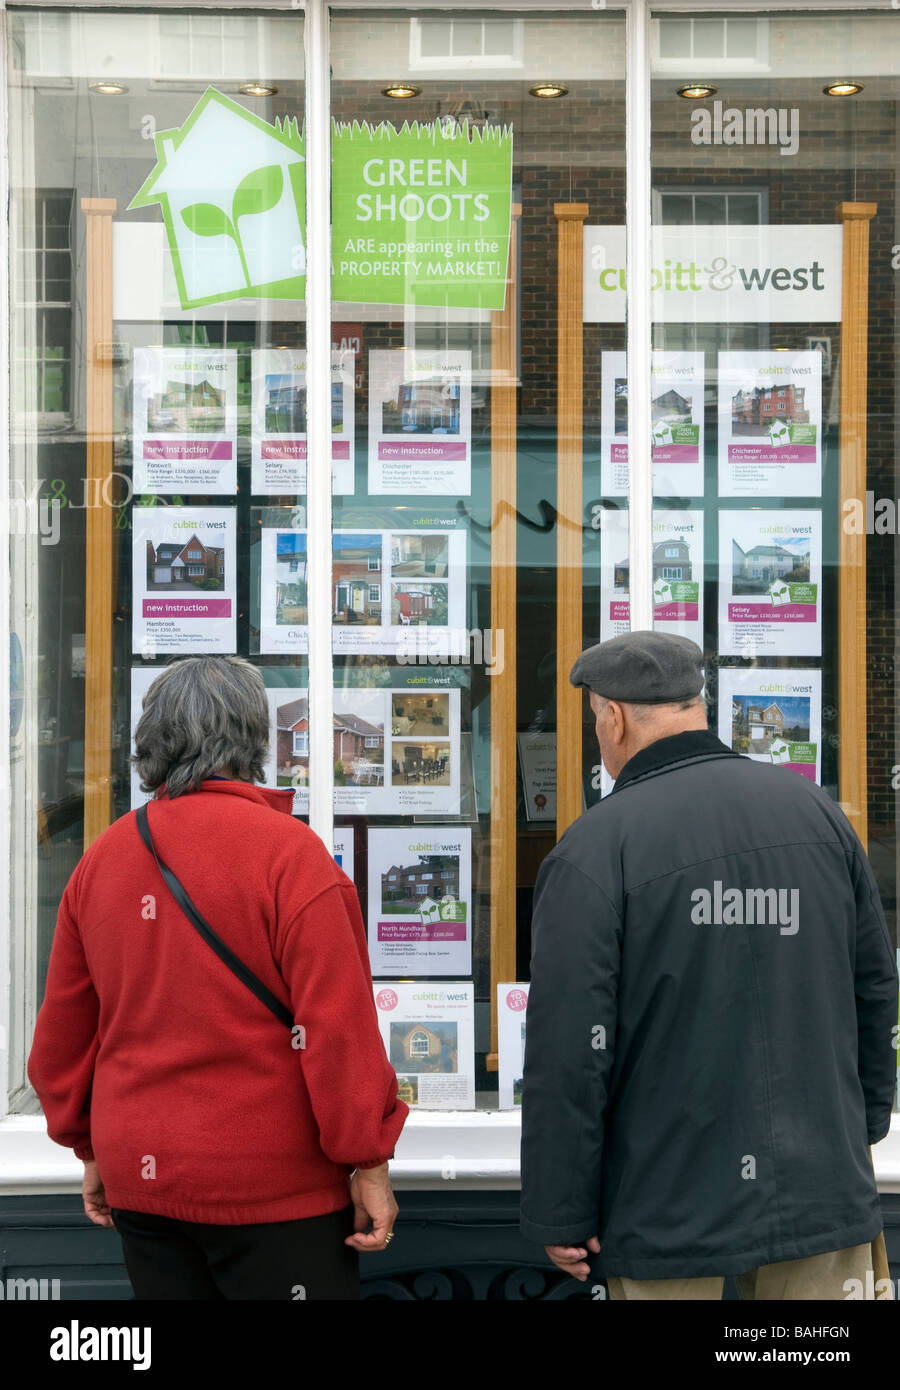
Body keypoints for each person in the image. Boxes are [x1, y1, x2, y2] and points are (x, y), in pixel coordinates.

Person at [520, 631, 898, 1300]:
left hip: (666, 1209)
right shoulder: (817, 812)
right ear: (697, 704)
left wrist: (560, 1206)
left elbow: (570, 1049)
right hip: (821, 1193)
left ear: (613, 716)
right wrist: (859, 1126)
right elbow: (874, 983)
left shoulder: (595, 848)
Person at [28, 655, 407, 1300]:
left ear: (152, 740)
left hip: (143, 1174)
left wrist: (88, 1146)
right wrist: (367, 1158)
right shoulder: (291, 858)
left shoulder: (103, 860)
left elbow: (64, 1034)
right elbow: (335, 1029)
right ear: (253, 739)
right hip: (274, 1186)